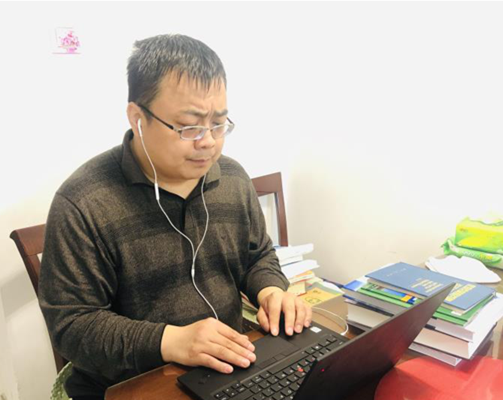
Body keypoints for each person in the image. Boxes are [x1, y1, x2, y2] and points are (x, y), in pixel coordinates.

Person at [38, 34, 312, 400]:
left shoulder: (232, 178)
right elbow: (72, 326)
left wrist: (271, 290)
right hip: (134, 384)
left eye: (219, 124)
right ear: (138, 117)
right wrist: (171, 341)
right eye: (189, 126)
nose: (208, 142)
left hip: (229, 368)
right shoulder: (84, 202)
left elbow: (257, 256)